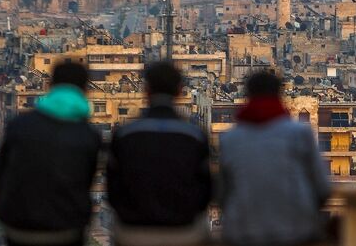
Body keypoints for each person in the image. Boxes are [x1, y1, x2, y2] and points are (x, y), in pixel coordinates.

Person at [0, 62, 101, 246]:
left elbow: (2, 173)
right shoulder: (88, 134)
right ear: (84, 90)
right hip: (66, 230)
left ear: (50, 86)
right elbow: (87, 182)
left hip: (20, 228)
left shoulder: (20, 125)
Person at [107, 62, 211, 246]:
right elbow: (206, 189)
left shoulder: (125, 134)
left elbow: (113, 188)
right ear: (179, 91)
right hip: (183, 232)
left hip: (134, 232)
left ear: (146, 90)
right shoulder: (194, 136)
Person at [220, 72, 330, 246]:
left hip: (243, 232)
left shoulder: (230, 139)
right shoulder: (300, 134)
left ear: (247, 95)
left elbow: (223, 193)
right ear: (279, 94)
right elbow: (322, 188)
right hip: (295, 231)